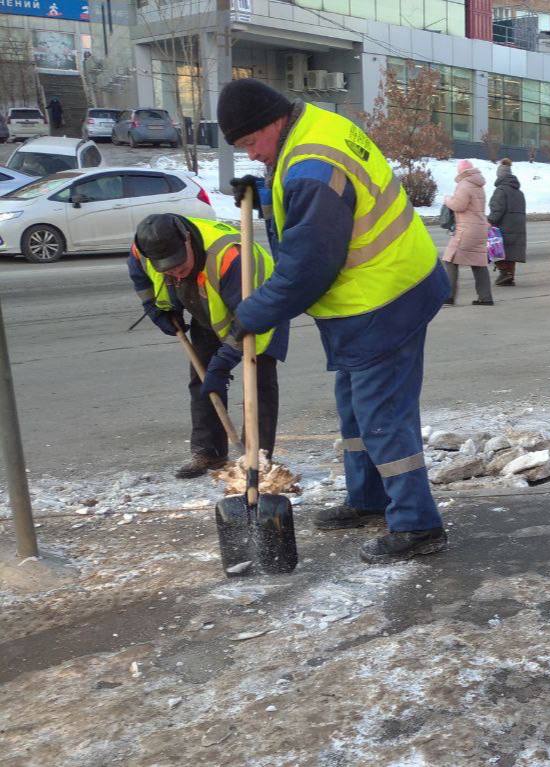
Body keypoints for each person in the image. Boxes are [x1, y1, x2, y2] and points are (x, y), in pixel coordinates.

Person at [216, 78, 452, 564]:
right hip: (370, 298)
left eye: (250, 143)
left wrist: (251, 315)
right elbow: (308, 207)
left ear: (272, 123)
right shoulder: (311, 131)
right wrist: (263, 193)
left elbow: (307, 267)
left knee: (383, 416)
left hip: (385, 300)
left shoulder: (310, 167)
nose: (253, 155)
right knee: (353, 408)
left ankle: (417, 524)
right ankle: (368, 499)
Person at [128, 213, 287, 478]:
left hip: (261, 311)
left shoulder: (232, 258)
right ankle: (209, 452)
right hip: (208, 306)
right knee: (202, 378)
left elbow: (249, 323)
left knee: (257, 382)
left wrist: (223, 363)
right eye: (166, 268)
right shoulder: (144, 248)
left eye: (179, 263)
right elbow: (140, 275)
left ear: (188, 240)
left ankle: (256, 460)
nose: (176, 271)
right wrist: (156, 309)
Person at [442, 159, 494, 306]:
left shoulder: (464, 184)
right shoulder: (478, 184)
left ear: (461, 171)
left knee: (450, 259)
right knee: (478, 262)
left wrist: (447, 200)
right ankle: (485, 297)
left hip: (467, 230)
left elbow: (459, 205)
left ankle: (449, 296)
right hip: (480, 228)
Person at [488, 158, 527, 287]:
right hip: (518, 227)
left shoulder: (500, 191)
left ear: (499, 175)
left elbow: (497, 210)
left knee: (495, 249)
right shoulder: (519, 192)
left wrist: (490, 222)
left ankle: (504, 273)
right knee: (512, 252)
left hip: (505, 226)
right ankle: (510, 276)